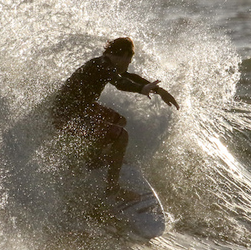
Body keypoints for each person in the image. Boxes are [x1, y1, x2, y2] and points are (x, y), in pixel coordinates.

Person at [51, 37, 179, 200]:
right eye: (129, 59)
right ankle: (112, 189)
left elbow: (128, 76)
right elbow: (120, 82)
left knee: (119, 120)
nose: (128, 64)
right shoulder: (102, 65)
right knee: (121, 135)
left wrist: (158, 90)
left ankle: (94, 158)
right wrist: (142, 89)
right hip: (68, 115)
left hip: (79, 109)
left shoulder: (105, 63)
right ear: (125, 55)